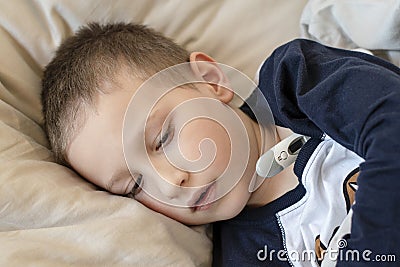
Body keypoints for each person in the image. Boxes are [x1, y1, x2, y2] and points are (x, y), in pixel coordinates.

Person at [41, 22, 400, 266]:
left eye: (163, 138)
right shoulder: (244, 254)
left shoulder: (293, 82)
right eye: (135, 186)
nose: (170, 183)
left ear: (212, 81)